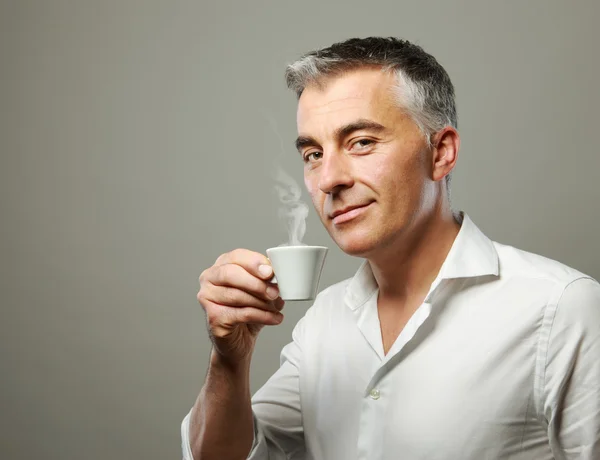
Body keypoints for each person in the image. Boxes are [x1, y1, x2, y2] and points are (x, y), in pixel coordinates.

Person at [181, 37, 600, 460]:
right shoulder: (323, 323)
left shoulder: (561, 309)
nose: (329, 179)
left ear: (440, 152)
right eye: (312, 153)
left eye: (361, 142)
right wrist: (230, 359)